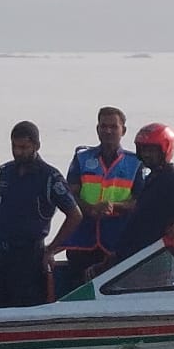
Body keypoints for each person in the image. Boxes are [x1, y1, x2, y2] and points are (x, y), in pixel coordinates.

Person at [0, 121, 83, 308]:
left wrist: (51, 249)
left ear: (36, 146)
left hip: (30, 258)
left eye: (23, 147)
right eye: (14, 147)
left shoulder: (49, 177)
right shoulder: (6, 173)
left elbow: (75, 215)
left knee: (26, 310)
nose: (18, 152)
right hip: (2, 256)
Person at [59, 107, 145, 290]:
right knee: (77, 289)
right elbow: (69, 194)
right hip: (82, 239)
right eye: (103, 126)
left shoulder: (135, 162)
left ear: (123, 131)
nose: (108, 131)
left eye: (113, 127)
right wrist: (89, 209)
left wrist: (116, 206)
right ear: (97, 129)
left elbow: (141, 201)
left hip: (116, 241)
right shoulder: (81, 158)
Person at [106, 123, 174, 267]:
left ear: (164, 150)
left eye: (152, 150)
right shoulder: (152, 178)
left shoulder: (173, 180)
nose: (146, 154)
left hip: (154, 262)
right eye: (143, 149)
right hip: (134, 260)